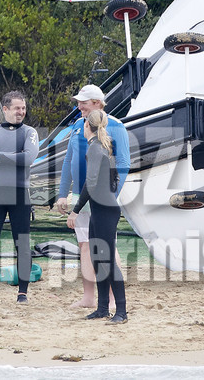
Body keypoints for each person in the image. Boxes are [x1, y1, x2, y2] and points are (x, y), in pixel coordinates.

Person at [53, 83, 129, 310]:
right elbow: (68, 161)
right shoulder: (78, 125)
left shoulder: (116, 126)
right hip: (82, 194)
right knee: (85, 246)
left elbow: (124, 163)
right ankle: (90, 297)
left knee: (107, 247)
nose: (79, 107)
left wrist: (110, 194)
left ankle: (115, 301)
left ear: (97, 103)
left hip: (102, 196)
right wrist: (63, 193)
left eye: (83, 103)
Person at [0, 89, 40, 303]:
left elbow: (29, 157)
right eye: (16, 108)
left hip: (20, 194)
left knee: (22, 243)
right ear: (5, 109)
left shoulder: (29, 132)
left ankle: (22, 292)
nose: (21, 112)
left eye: (23, 108)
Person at [73, 108, 128, 322]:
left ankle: (121, 312)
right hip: (102, 207)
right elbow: (113, 180)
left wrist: (76, 210)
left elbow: (90, 183)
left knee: (107, 260)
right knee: (98, 259)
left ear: (87, 126)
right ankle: (103, 308)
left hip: (104, 209)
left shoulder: (96, 148)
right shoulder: (105, 146)